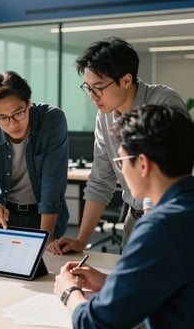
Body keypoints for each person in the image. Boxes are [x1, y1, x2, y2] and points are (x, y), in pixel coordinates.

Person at [54, 104, 194, 329]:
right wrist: (113, 282)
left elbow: (96, 328)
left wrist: (68, 292)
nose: (120, 172)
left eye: (119, 162)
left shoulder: (159, 228)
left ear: (142, 164)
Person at [52, 37, 187, 253]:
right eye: (88, 88)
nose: (92, 97)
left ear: (126, 80)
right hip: (134, 218)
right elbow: (100, 180)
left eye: (98, 88)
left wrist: (151, 224)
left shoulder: (164, 103)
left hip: (167, 219)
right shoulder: (104, 115)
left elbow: (171, 171)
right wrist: (80, 240)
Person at [0, 70, 69, 250]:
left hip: (45, 216)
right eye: (3, 118)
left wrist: (46, 237)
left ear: (28, 103)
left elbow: (52, 184)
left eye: (18, 113)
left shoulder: (52, 120)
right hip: (5, 218)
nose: (13, 124)